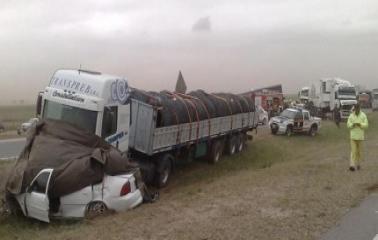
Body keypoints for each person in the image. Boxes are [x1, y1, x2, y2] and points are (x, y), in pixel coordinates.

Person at [347, 104, 368, 171]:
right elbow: (348, 125)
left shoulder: (363, 115)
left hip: (360, 137)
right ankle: (352, 165)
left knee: (359, 152)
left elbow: (366, 125)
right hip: (353, 137)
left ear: (359, 108)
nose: (357, 110)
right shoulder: (351, 116)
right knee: (353, 151)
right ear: (354, 109)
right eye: (356, 109)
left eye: (358, 108)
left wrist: (360, 124)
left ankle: (358, 164)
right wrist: (352, 125)